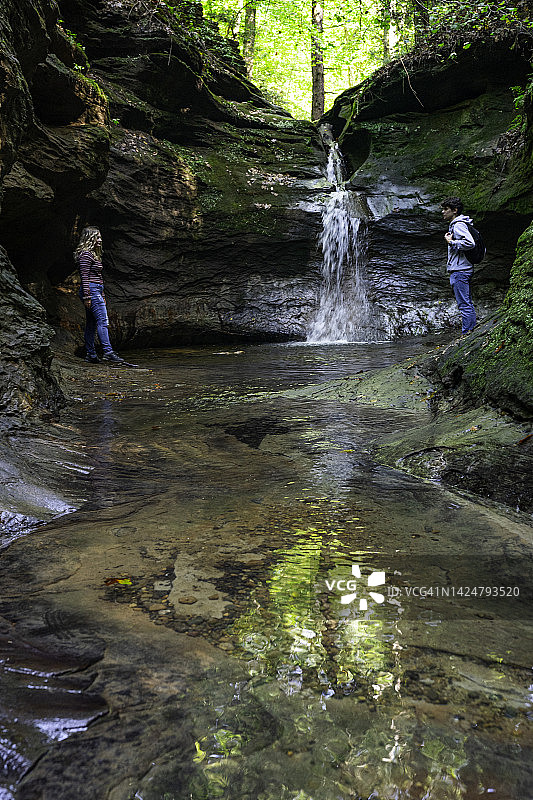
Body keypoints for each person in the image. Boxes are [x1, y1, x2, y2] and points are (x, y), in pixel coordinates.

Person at [75, 226, 125, 364]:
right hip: (91, 290)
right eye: (97, 237)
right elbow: (84, 277)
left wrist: (102, 294)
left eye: (100, 237)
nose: (100, 240)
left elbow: (98, 277)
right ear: (89, 238)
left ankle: (91, 354)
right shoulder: (85, 255)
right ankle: (108, 352)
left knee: (91, 323)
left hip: (96, 290)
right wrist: (87, 296)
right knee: (103, 321)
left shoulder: (92, 255)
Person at [441, 197, 477, 335]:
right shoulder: (458, 224)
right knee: (466, 302)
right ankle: (470, 330)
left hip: (460, 270)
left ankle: (467, 333)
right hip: (461, 269)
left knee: (464, 304)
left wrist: (451, 242)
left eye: (446, 209)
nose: (443, 212)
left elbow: (470, 243)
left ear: (455, 210)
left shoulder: (458, 225)